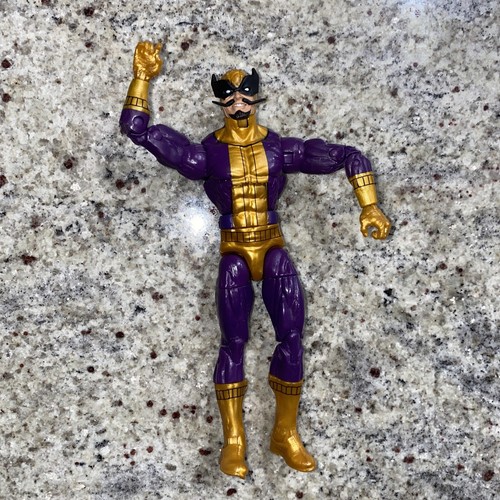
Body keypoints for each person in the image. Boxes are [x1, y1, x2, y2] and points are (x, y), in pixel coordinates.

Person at [120, 41, 391, 479]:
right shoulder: (206, 154)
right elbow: (137, 130)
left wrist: (370, 205)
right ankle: (233, 442)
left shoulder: (279, 149)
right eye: (229, 97)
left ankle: (285, 433)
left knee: (292, 338)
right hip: (234, 252)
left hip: (272, 246)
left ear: (256, 98)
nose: (238, 103)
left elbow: (348, 155)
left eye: (245, 96)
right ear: (220, 103)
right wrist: (142, 78)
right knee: (232, 343)